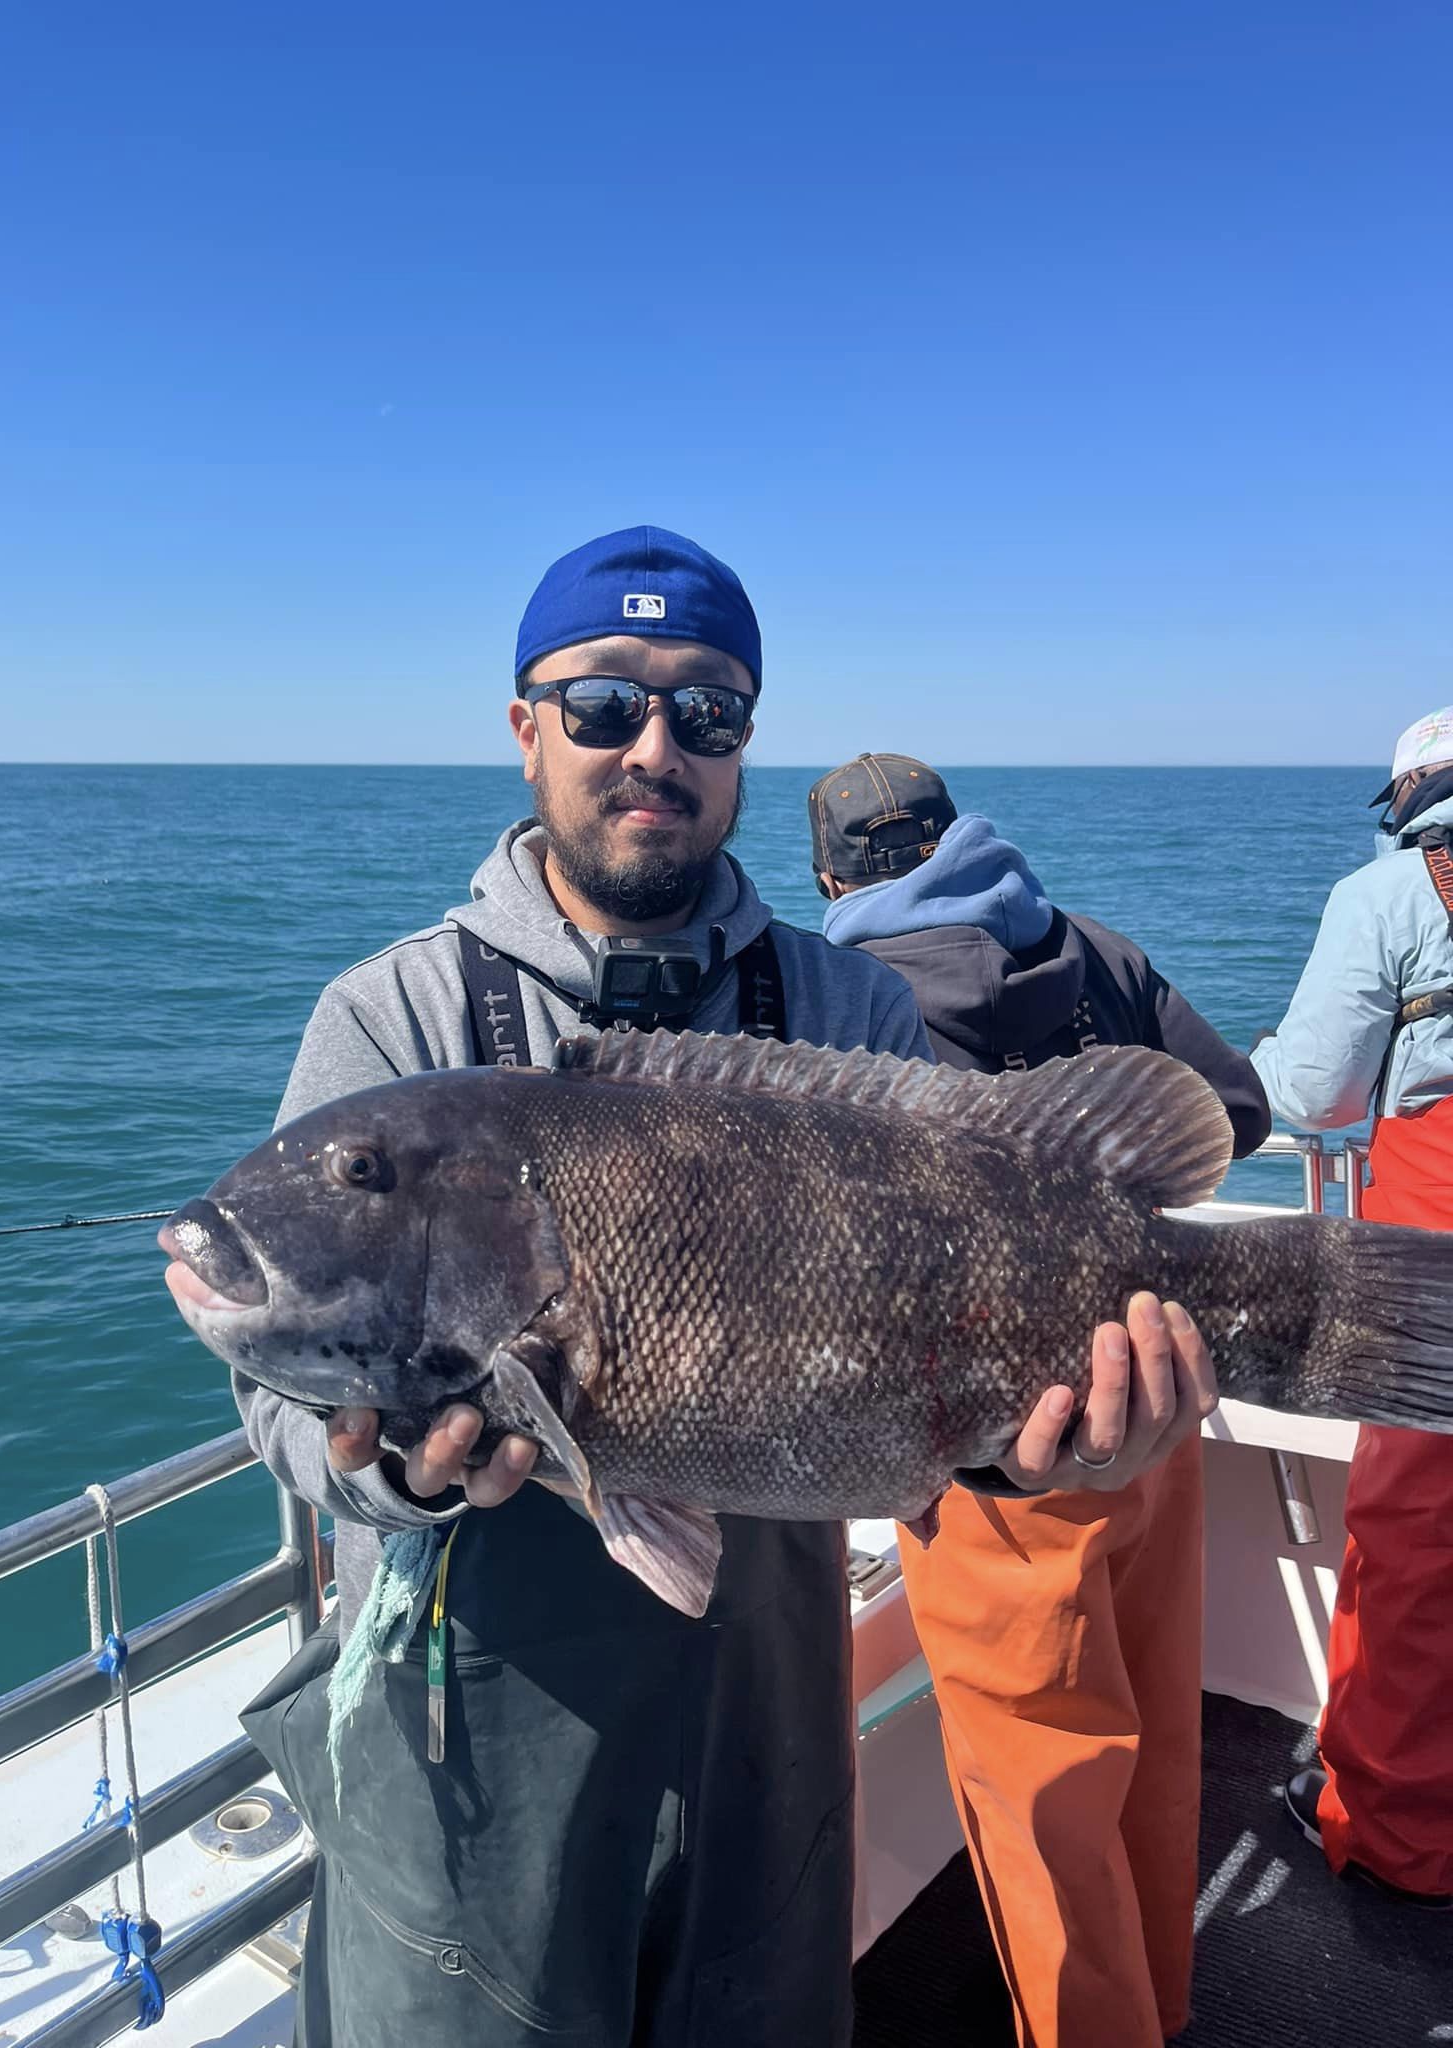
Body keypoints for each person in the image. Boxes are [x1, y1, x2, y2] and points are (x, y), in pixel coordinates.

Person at [231, 533, 1222, 2048]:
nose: (653, 748)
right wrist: (401, 1484)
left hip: (768, 1724)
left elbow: (953, 1399)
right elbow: (278, 1400)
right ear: (523, 727)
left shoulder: (847, 1003)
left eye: (708, 713)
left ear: (747, 747)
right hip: (465, 1764)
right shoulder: (394, 1016)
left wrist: (1066, 1449)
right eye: (604, 701)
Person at [809, 753, 1270, 2048]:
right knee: (1156, 1740)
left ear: (835, 876)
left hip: (994, 1447)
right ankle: (1162, 2011)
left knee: (1041, 1796)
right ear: (959, 836)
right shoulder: (1090, 947)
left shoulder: (848, 998)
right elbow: (1235, 1105)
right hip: (1161, 1398)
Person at [1251, 705, 1453, 1912]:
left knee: (1417, 1529)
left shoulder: (1388, 894)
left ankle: (1391, 1825)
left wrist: (1259, 1057)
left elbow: (1315, 1085)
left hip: (1437, 1216)